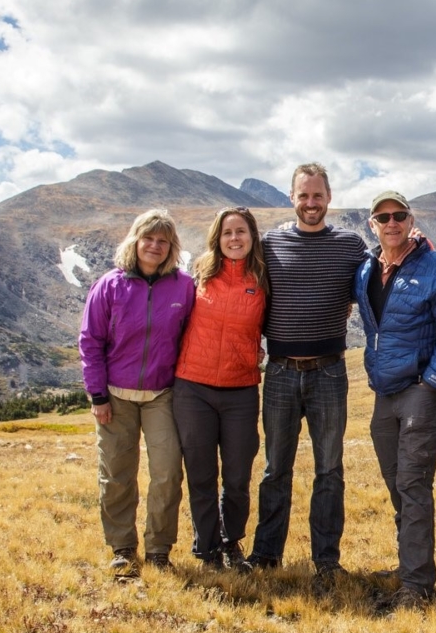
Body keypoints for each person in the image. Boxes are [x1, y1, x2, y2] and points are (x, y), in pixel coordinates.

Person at [248, 163, 369, 594]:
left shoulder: (350, 245)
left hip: (330, 372)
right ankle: (265, 554)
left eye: (317, 196)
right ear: (291, 197)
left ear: (329, 197)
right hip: (280, 373)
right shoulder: (270, 244)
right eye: (303, 195)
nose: (311, 203)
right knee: (275, 468)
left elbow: (380, 278)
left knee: (329, 470)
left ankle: (326, 561)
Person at [354, 191, 436, 608]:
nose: (391, 222)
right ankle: (410, 564)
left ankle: (417, 585)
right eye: (383, 217)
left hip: (419, 390)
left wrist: (432, 381)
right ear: (372, 224)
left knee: (413, 483)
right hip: (385, 392)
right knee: (394, 481)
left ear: (410, 219)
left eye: (399, 215)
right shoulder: (366, 268)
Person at [78, 209, 194, 577]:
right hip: (115, 396)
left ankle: (159, 548)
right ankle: (123, 547)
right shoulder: (109, 286)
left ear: (171, 247)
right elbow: (90, 341)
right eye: (149, 239)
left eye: (163, 241)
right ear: (135, 240)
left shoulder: (183, 286)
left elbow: (193, 336)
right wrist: (97, 396)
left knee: (167, 474)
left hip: (162, 394)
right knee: (116, 473)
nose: (155, 246)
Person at [173, 207, 267, 573]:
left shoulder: (262, 278)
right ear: (217, 237)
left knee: (238, 476)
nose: (234, 239)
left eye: (241, 232)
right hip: (192, 388)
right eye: (227, 232)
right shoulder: (196, 275)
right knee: (200, 474)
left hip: (240, 390)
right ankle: (207, 549)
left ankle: (232, 544)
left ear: (251, 236)